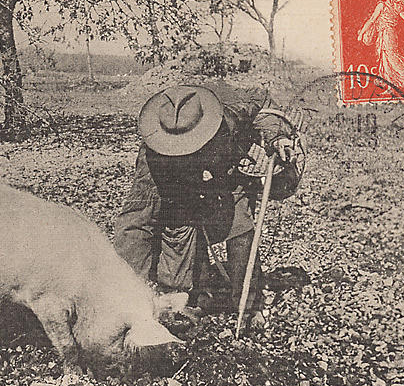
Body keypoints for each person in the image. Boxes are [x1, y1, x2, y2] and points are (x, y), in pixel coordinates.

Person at [113, 83, 299, 326]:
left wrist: (278, 138)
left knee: (241, 227)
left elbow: (265, 109)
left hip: (227, 171)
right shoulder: (153, 157)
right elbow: (135, 223)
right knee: (180, 236)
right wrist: (129, 293)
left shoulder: (233, 109)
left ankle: (246, 302)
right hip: (181, 195)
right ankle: (193, 290)